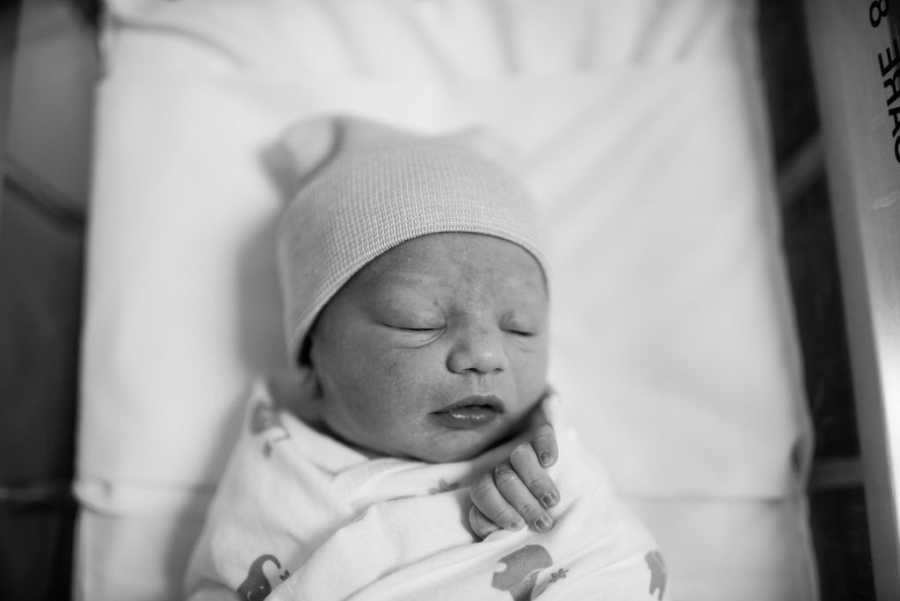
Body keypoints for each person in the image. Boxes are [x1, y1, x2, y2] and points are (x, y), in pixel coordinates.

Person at [184, 118, 667, 601]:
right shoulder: (275, 489)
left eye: (520, 327)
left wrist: (534, 520)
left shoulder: (559, 473)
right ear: (313, 360)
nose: (484, 353)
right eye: (418, 322)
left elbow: (616, 564)